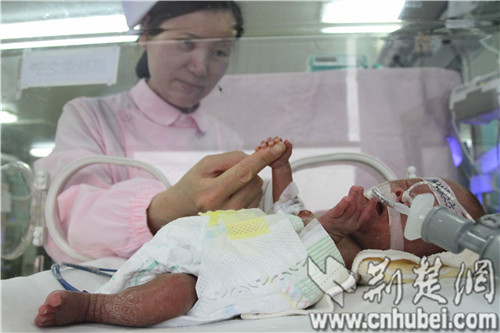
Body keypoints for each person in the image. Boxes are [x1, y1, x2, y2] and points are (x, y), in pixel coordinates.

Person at [34, 1, 272, 262]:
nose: (200, 68)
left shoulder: (227, 139)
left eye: (219, 52)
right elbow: (66, 225)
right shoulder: (91, 117)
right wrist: (170, 206)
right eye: (185, 43)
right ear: (146, 35)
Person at [34, 137, 345, 327]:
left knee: (175, 293)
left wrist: (341, 230)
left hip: (218, 276)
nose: (362, 197)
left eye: (383, 208)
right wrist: (280, 166)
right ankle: (102, 300)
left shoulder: (356, 257)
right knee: (172, 253)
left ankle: (96, 307)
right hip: (209, 237)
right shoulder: (299, 219)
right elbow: (286, 200)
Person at [317, 177, 486, 268]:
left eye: (419, 210)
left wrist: (328, 232)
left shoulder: (348, 255)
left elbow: (295, 272)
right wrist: (289, 186)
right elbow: (292, 213)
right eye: (407, 184)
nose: (401, 193)